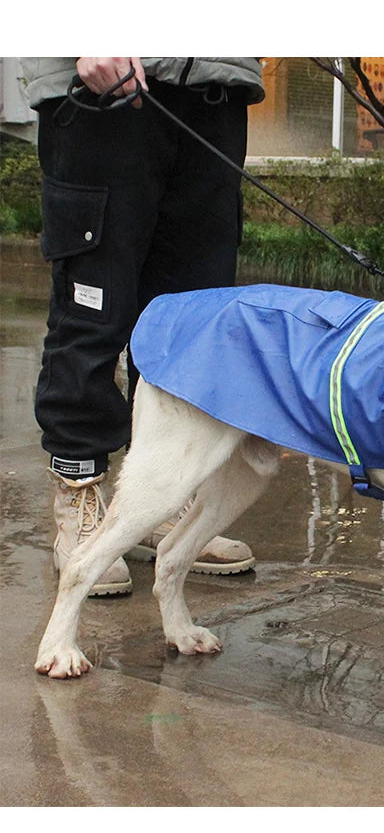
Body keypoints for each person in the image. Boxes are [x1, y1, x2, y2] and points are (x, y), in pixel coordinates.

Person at [20, 57, 265, 595]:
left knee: (188, 327)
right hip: (101, 89)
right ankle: (77, 487)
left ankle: (155, 500)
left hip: (214, 91)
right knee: (93, 312)